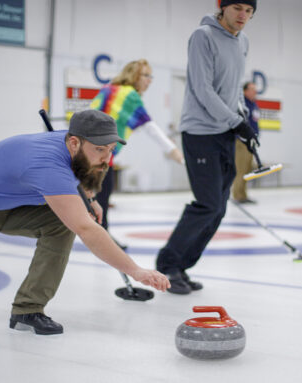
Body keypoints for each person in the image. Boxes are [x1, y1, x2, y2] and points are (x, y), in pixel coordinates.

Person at [0, 109, 170, 335]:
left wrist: (89, 196)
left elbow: (80, 171)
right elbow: (86, 229)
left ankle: (28, 309)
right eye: (100, 150)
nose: (107, 158)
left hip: (11, 203)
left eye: (111, 149)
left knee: (61, 223)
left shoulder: (74, 145)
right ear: (74, 142)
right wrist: (136, 270)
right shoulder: (47, 165)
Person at [155, 0, 259, 294]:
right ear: (223, 8)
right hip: (200, 132)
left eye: (249, 11)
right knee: (208, 204)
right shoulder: (203, 36)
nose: (243, 15)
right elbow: (203, 88)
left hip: (224, 132)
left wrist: (242, 120)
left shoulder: (243, 41)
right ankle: (168, 265)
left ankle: (182, 267)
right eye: (237, 8)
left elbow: (234, 87)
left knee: (219, 209)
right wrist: (234, 121)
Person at [90, 59, 184, 230]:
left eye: (151, 76)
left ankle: (102, 235)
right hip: (101, 158)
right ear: (134, 75)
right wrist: (173, 151)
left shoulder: (108, 89)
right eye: (146, 75)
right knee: (102, 199)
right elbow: (150, 127)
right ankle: (103, 239)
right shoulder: (130, 96)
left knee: (93, 199)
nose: (150, 80)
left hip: (86, 153)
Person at [232, 81, 260, 203]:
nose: (255, 91)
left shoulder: (254, 105)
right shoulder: (242, 105)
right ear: (245, 91)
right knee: (241, 169)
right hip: (242, 142)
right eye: (252, 89)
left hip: (251, 142)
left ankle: (243, 194)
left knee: (247, 169)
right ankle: (237, 195)